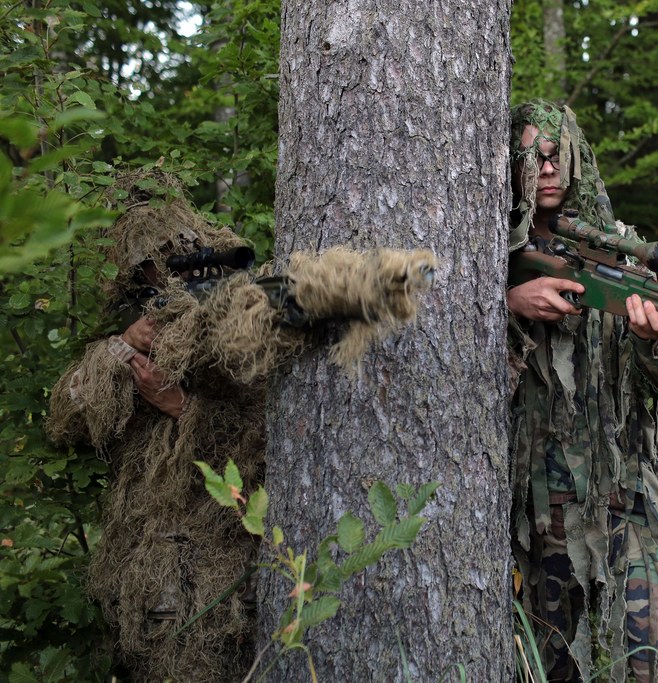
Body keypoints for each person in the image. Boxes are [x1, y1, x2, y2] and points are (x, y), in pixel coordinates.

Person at [47, 173, 436, 681]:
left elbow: (255, 342)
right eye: (149, 265)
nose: (164, 272)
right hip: (145, 589)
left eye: (170, 256)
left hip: (223, 580)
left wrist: (181, 408)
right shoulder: (119, 343)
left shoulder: (219, 318)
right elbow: (66, 422)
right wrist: (125, 345)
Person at [506, 100, 658, 683]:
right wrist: (508, 305)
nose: (547, 168)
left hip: (627, 501)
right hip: (536, 516)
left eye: (557, 155)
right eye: (532, 156)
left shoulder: (620, 248)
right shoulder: (490, 251)